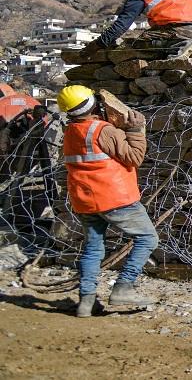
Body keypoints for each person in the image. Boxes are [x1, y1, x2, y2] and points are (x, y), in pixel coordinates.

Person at [56, 85, 158, 317]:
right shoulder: (103, 130)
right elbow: (134, 158)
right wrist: (135, 130)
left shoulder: (71, 132)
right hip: (114, 196)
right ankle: (124, 287)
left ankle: (86, 302)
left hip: (84, 200)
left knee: (93, 249)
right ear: (93, 104)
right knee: (147, 238)